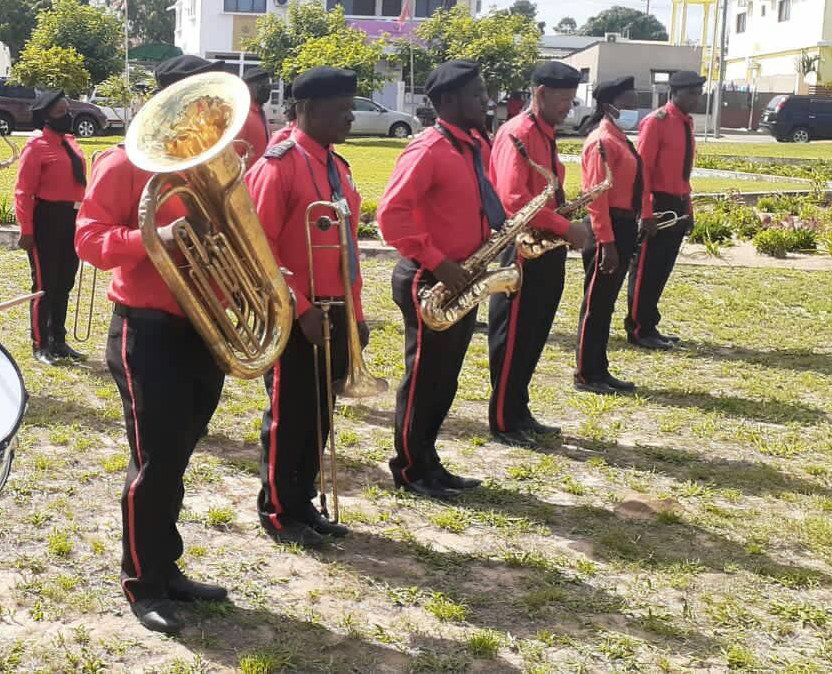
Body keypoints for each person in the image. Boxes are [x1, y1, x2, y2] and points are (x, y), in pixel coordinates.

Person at [75, 53, 231, 635]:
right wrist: (154, 236)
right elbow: (89, 239)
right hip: (148, 330)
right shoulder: (123, 162)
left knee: (178, 455)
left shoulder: (211, 163)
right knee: (155, 461)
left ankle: (166, 567)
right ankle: (143, 583)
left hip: (203, 326)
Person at [244, 67, 365, 547]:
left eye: (351, 108)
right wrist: (300, 307)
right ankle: (277, 508)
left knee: (319, 413)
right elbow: (257, 247)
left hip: (335, 308)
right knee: (289, 414)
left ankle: (302, 499)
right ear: (309, 110)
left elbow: (348, 248)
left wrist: (355, 316)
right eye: (342, 109)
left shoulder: (338, 166)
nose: (350, 117)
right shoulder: (279, 165)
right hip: (295, 312)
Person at [376, 60, 499, 500]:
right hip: (430, 278)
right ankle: (410, 468)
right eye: (476, 94)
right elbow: (391, 215)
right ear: (447, 101)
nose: (485, 101)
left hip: (465, 274)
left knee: (445, 378)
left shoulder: (473, 146)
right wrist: (438, 260)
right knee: (425, 378)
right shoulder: (428, 149)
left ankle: (428, 460)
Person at [485, 61, 590, 449]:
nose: (568, 108)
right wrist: (567, 228)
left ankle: (518, 409)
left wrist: (562, 224)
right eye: (563, 100)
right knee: (514, 335)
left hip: (546, 246)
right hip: (522, 248)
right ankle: (502, 419)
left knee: (533, 334)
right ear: (540, 93)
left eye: (571, 100)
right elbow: (514, 200)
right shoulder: (520, 133)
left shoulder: (544, 134)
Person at [575, 77, 647, 395]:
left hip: (623, 226)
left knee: (605, 305)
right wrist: (607, 243)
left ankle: (598, 369)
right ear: (610, 105)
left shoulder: (618, 137)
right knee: (596, 304)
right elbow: (596, 197)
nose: (634, 108)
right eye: (628, 102)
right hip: (608, 229)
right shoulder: (602, 141)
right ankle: (585, 373)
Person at [628, 71, 704, 350]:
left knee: (661, 270)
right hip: (658, 203)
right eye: (691, 94)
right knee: (646, 270)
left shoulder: (685, 122)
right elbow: (643, 171)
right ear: (676, 92)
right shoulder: (656, 121)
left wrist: (688, 208)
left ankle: (649, 324)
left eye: (698, 93)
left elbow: (683, 173)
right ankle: (638, 328)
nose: (696, 99)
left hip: (677, 202)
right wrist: (646, 212)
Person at [14, 88, 87, 365]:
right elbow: (23, 191)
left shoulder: (71, 142)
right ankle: (40, 343)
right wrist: (26, 229)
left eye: (68, 110)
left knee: (65, 281)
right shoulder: (36, 146)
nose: (67, 115)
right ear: (46, 116)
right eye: (60, 112)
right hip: (47, 219)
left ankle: (59, 339)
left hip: (72, 218)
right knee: (45, 284)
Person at [240, 67, 272, 163]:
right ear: (247, 88)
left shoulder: (260, 113)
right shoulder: (242, 116)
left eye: (268, 84)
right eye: (260, 85)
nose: (267, 88)